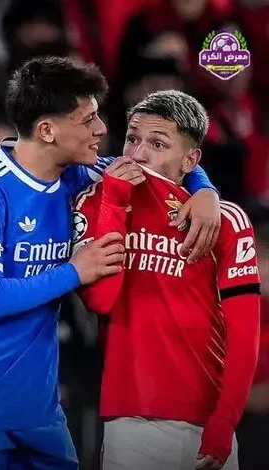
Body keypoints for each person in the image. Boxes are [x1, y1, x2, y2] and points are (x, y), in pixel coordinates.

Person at [0, 56, 222, 469]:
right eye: (88, 119)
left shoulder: (79, 175)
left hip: (39, 405)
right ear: (47, 130)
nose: (102, 129)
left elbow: (158, 169)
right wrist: (75, 270)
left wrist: (205, 191)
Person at [73, 90, 261, 470]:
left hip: (209, 419)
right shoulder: (95, 200)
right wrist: (115, 203)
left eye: (157, 144)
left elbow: (245, 332)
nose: (138, 154)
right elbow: (100, 300)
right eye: (132, 139)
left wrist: (225, 421)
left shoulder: (224, 220)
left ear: (191, 160)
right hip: (132, 419)